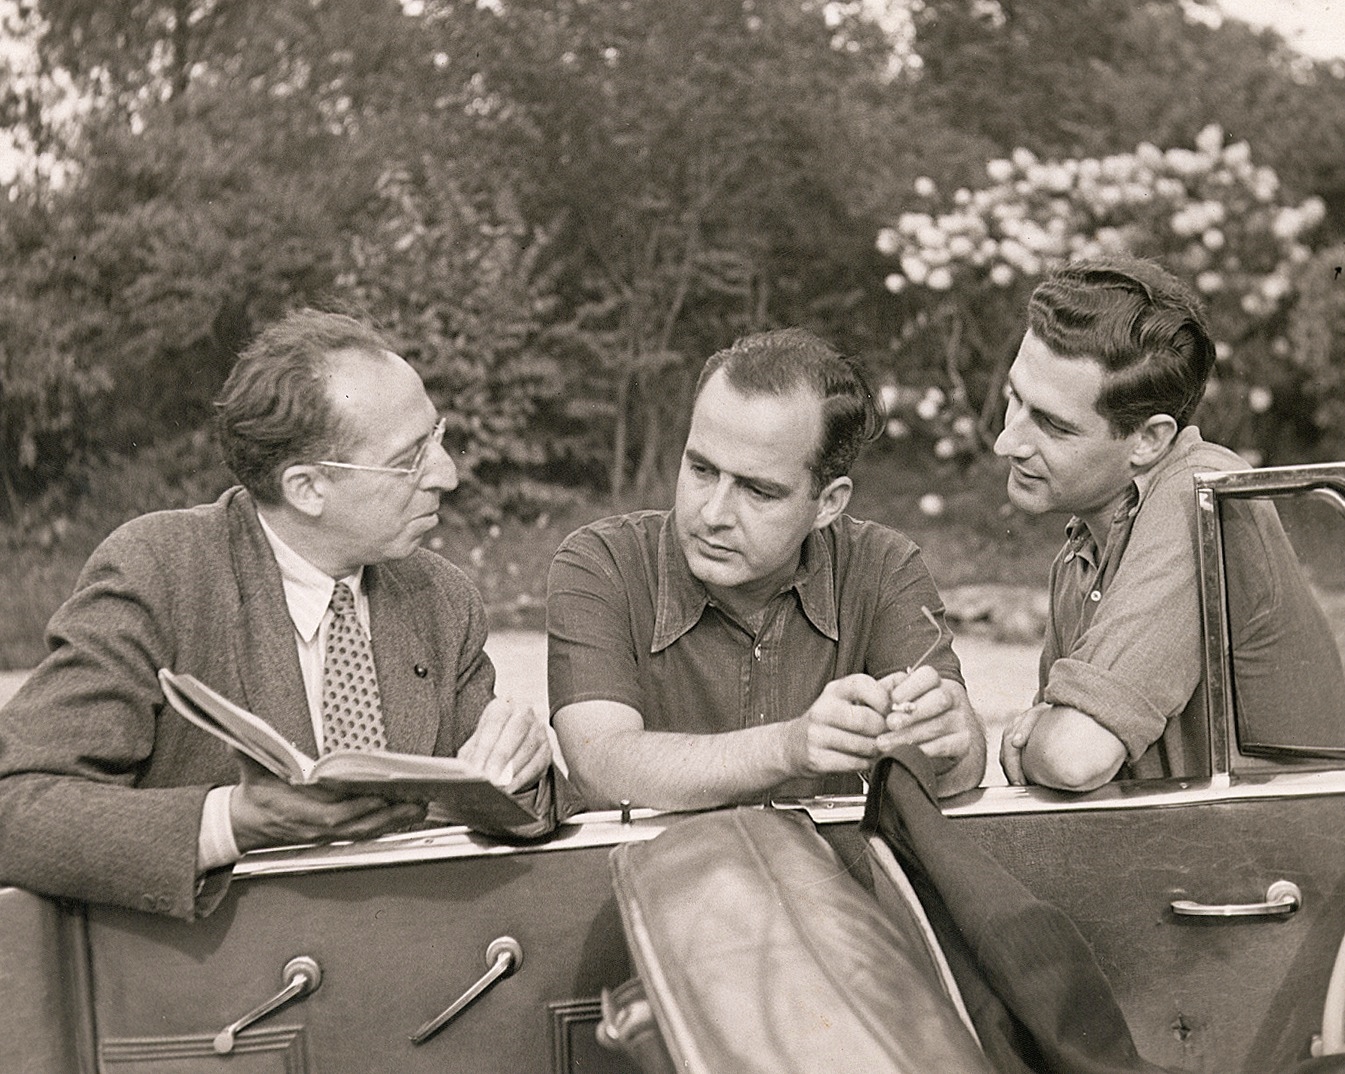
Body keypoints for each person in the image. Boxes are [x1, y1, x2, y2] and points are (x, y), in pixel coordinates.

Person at [0, 309, 553, 919]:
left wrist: (525, 770)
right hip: (223, 987)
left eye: (438, 436)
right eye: (409, 459)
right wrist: (232, 822)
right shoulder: (159, 574)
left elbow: (526, 814)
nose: (446, 474)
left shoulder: (441, 596)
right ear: (306, 488)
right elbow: (15, 806)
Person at [547, 328, 986, 812]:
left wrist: (945, 740)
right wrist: (787, 748)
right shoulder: (601, 563)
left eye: (757, 491)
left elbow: (962, 768)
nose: (713, 514)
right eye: (701, 470)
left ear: (828, 504)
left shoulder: (883, 567)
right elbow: (600, 768)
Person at [996, 255, 1345, 791]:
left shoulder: (1200, 495)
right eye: (1013, 399)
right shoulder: (1082, 549)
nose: (1007, 442)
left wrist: (1038, 732)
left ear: (1149, 440)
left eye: (1051, 425)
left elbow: (1073, 758)